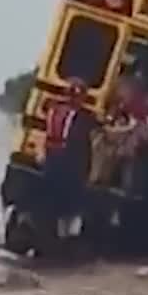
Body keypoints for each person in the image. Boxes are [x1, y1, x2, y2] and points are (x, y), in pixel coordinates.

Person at [42, 79, 98, 239]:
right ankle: (68, 238)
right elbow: (93, 133)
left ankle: (56, 234)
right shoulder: (81, 116)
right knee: (72, 203)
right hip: (70, 163)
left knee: (54, 201)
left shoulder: (54, 110)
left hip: (51, 161)